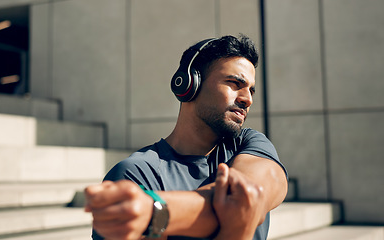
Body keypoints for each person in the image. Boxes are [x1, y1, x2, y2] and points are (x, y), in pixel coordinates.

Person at [84, 35, 288, 240]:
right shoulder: (136, 174)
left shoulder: (250, 143)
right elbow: (241, 205)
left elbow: (250, 196)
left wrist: (153, 212)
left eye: (251, 90)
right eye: (235, 83)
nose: (248, 99)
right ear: (188, 84)